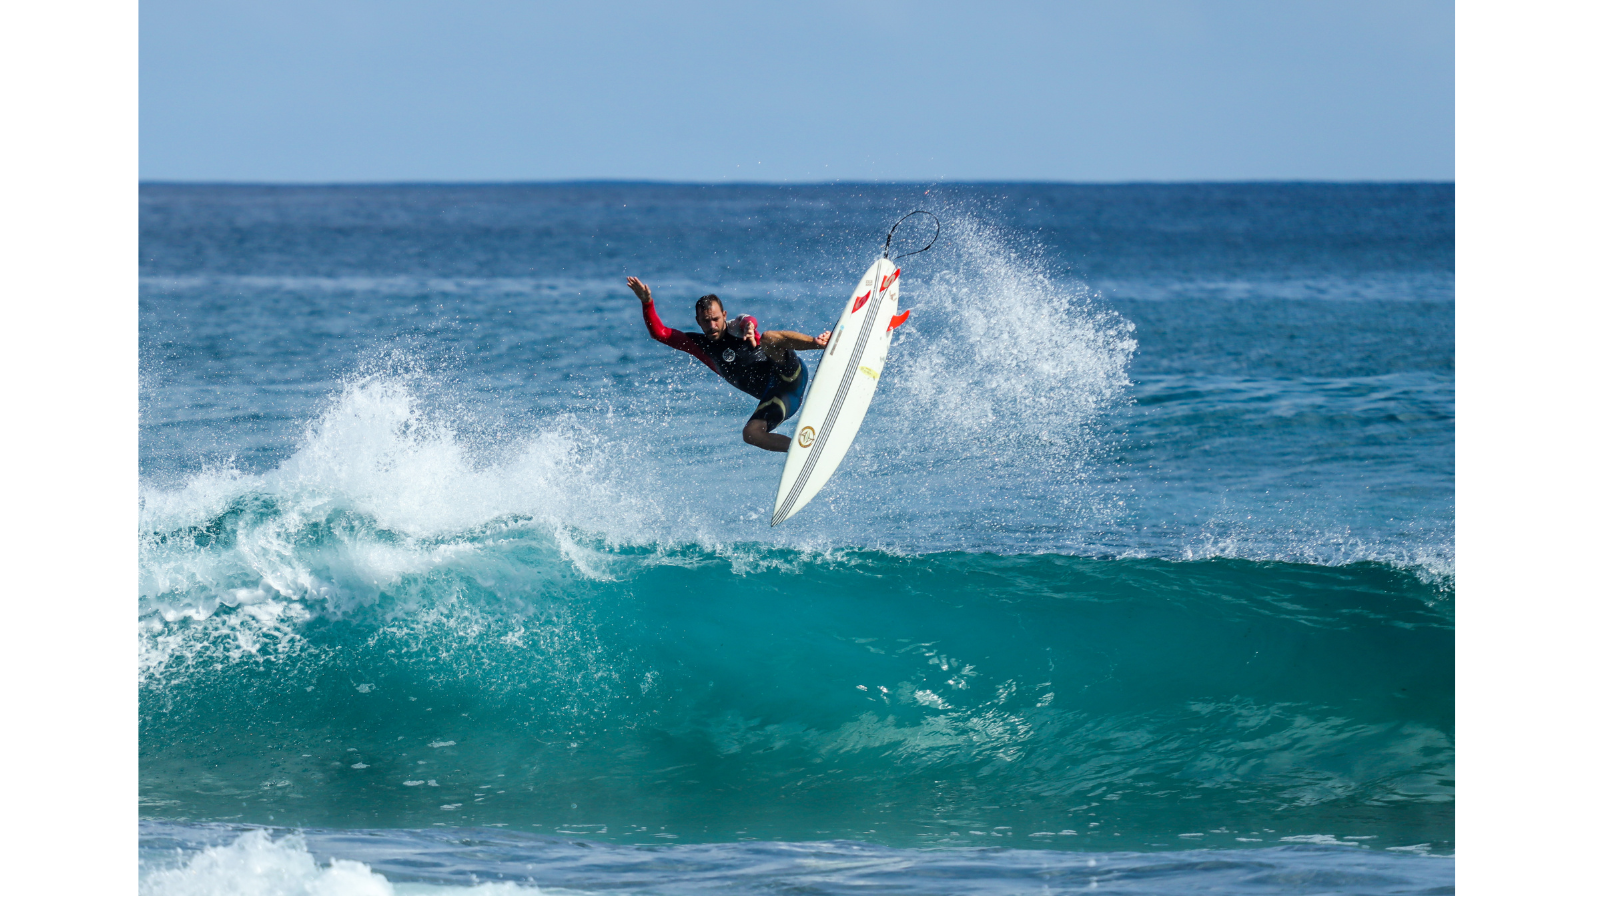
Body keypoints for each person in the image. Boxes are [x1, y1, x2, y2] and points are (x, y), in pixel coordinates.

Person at [627, 276, 831, 452]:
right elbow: (660, 333)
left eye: (716, 319)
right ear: (698, 321)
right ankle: (803, 450)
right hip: (779, 398)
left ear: (724, 316)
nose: (712, 325)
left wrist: (750, 327)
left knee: (769, 337)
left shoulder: (738, 327)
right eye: (706, 321)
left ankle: (820, 343)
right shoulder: (698, 345)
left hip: (790, 374)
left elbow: (748, 319)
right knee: (750, 434)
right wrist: (647, 302)